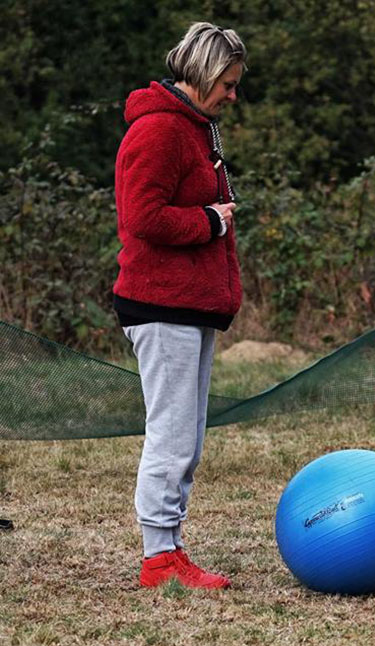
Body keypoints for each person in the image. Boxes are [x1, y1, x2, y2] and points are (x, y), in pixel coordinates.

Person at [113, 22, 247, 589]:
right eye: (228, 83)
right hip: (159, 302)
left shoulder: (196, 128)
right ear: (202, 73)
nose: (233, 95)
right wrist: (209, 220)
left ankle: (169, 547)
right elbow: (140, 218)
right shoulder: (161, 131)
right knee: (171, 433)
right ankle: (157, 557)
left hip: (189, 304)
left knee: (186, 436)